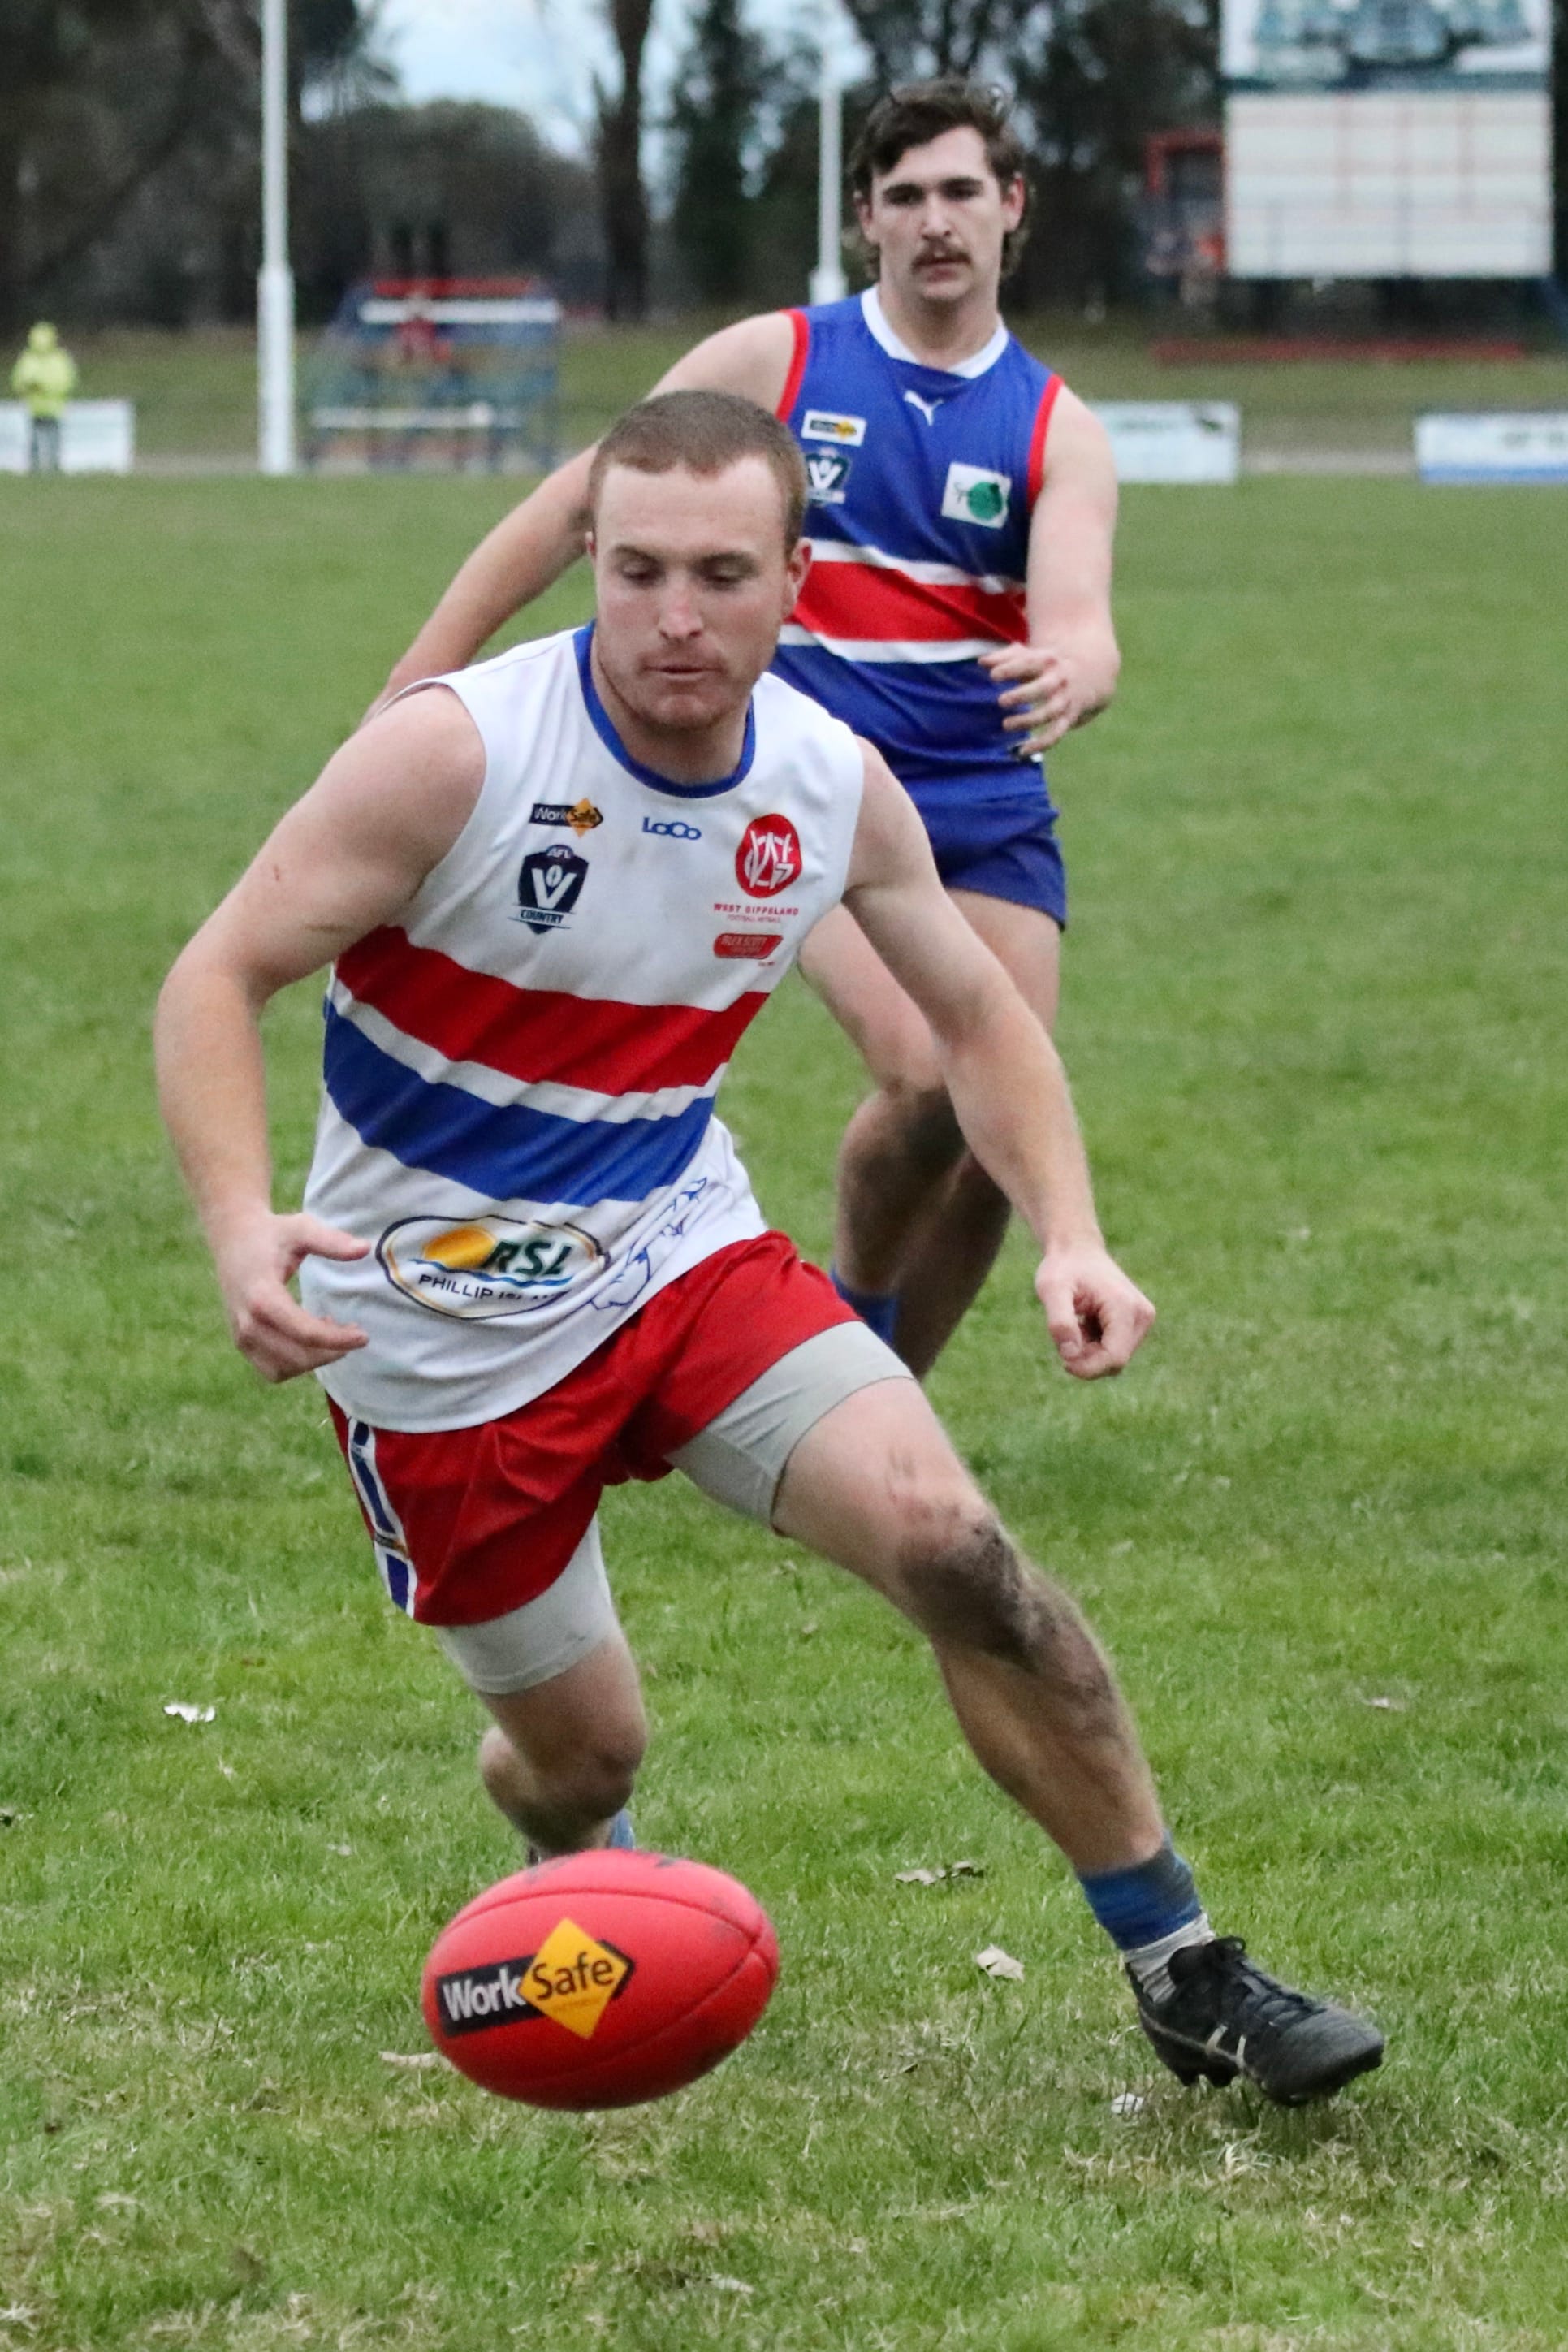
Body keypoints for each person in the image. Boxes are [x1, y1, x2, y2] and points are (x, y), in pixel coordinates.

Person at [158, 391, 1383, 2104]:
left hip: (677, 1250)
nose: (675, 615)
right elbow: (213, 973)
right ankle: (571, 1847)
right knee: (585, 1758)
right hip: (433, 1322)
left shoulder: (823, 780)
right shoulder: (459, 753)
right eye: (638, 569)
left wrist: (1069, 1235)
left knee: (955, 1546)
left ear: (792, 581)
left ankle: (1182, 1966)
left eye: (721, 574)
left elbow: (978, 1015)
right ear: (591, 560)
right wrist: (238, 1224)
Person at [374, 80, 1117, 1377]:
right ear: (864, 218)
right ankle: (853, 1328)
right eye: (903, 196)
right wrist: (416, 680)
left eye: (959, 192)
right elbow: (575, 509)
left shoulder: (1057, 427)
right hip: (807, 793)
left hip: (981, 797)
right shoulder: (775, 361)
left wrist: (1073, 671)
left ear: (1010, 207)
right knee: (927, 1074)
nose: (933, 221)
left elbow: (1080, 624)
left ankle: (880, 1388)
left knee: (996, 1133)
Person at [11, 322, 77, 472]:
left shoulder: (58, 358)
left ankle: (53, 466)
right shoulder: (29, 358)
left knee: (53, 439)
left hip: (53, 408)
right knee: (34, 440)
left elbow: (66, 382)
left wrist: (43, 387)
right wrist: (28, 387)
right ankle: (35, 467)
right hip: (36, 408)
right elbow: (18, 381)